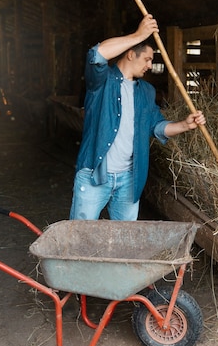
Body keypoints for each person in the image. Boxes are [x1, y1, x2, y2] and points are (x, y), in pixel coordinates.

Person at [70, 13, 206, 220]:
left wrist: (185, 125)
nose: (150, 65)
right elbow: (97, 54)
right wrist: (138, 35)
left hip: (129, 179)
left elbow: (157, 126)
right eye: (148, 59)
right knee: (79, 237)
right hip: (94, 175)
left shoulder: (146, 91)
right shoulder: (101, 82)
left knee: (128, 241)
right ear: (131, 54)